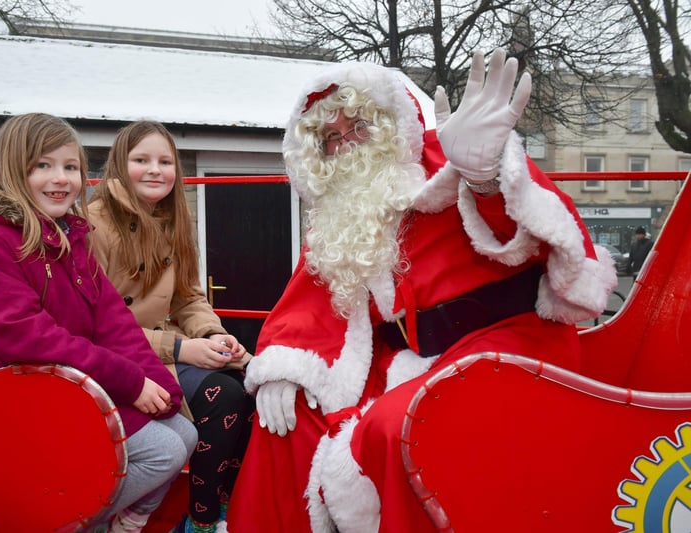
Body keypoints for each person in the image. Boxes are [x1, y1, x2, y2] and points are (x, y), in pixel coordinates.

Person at [224, 49, 618, 532]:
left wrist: (487, 178)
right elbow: (313, 303)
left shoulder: (452, 155)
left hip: (508, 341)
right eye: (331, 139)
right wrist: (285, 366)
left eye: (358, 127)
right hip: (408, 358)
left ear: (388, 124)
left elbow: (536, 234)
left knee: (396, 430)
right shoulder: (341, 211)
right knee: (286, 430)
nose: (346, 145)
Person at [0, 113, 197, 533]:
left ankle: (120, 520)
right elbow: (27, 336)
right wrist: (128, 381)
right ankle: (55, 522)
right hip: (20, 385)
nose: (60, 179)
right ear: (13, 168)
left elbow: (112, 320)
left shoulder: (66, 233)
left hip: (68, 379)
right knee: (161, 451)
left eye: (70, 167)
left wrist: (157, 382)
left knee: (182, 432)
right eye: (42, 166)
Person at [87, 120, 255, 533]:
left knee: (250, 386)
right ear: (119, 165)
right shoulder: (94, 226)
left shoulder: (172, 221)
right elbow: (97, 324)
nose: (154, 170)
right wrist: (181, 350)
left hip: (160, 348)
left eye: (164, 161)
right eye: (141, 160)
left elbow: (188, 297)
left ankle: (221, 511)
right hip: (118, 356)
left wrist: (214, 335)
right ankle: (200, 521)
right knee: (221, 397)